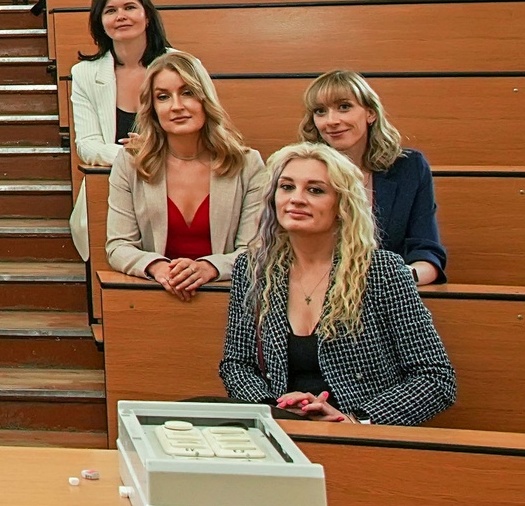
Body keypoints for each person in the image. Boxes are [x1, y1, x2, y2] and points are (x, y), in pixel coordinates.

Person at [220, 141, 455, 426]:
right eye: (287, 187)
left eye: (315, 190)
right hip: (282, 426)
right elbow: (237, 365)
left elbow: (435, 377)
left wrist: (356, 421)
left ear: (342, 205)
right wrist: (274, 409)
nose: (296, 199)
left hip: (360, 434)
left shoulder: (382, 271)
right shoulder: (253, 269)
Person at [105, 50, 269, 295]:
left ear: (205, 99)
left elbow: (254, 249)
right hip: (156, 293)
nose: (176, 106)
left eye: (187, 93)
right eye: (163, 97)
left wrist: (209, 268)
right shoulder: (130, 163)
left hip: (228, 297)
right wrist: (158, 267)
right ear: (153, 108)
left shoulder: (247, 164)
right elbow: (119, 246)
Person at [302, 71, 445, 284]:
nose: (331, 121)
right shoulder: (301, 171)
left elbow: (427, 252)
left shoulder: (409, 168)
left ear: (370, 113)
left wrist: (396, 279)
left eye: (344, 107)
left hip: (389, 292)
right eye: (320, 111)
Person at [69, 0, 173, 261]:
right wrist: (130, 155)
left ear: (147, 16)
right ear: (100, 22)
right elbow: (87, 145)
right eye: (111, 10)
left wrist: (153, 151)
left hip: (174, 183)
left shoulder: (182, 65)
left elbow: (206, 131)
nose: (121, 16)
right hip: (113, 189)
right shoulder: (84, 74)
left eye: (129, 7)